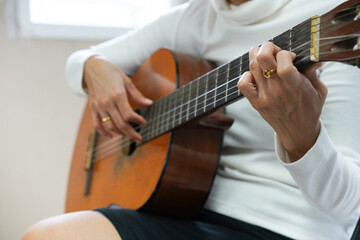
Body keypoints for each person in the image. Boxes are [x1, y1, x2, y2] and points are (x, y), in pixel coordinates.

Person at [22, 0, 360, 239]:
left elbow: (348, 207)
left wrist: (302, 137)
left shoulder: (330, 21)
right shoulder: (195, 16)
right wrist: (93, 68)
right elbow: (78, 63)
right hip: (181, 208)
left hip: (281, 226)